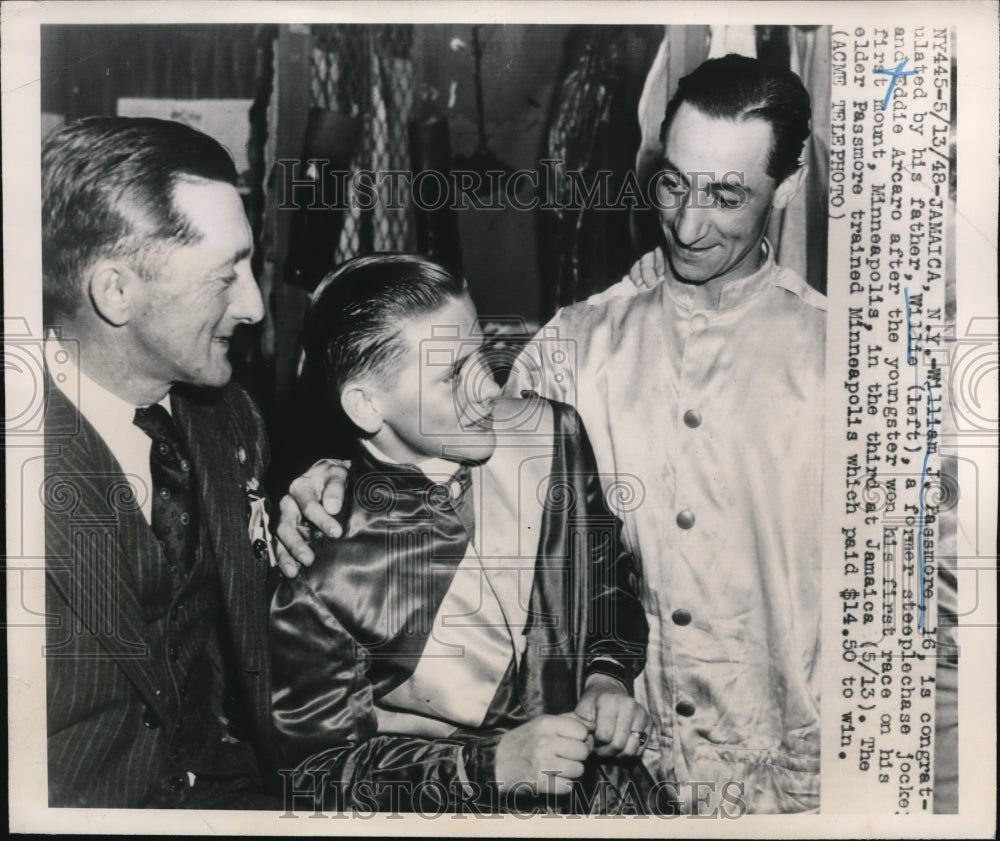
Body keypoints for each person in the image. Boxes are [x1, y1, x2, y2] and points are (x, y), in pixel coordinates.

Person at [503, 54, 825, 813]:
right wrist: (339, 490)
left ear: (792, 180)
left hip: (792, 793)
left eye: (725, 195)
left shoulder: (845, 361)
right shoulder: (573, 345)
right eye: (673, 183)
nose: (686, 223)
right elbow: (460, 497)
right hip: (621, 781)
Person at [269, 255, 667, 814]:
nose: (487, 386)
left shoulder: (552, 435)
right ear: (365, 405)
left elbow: (606, 580)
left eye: (479, 352)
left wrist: (607, 678)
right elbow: (317, 775)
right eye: (451, 372)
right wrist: (488, 767)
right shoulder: (323, 570)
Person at [41, 116, 338, 808]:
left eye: (251, 264)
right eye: (225, 274)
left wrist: (324, 518)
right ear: (115, 292)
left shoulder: (228, 418)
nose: (256, 304)